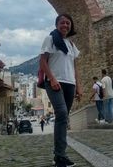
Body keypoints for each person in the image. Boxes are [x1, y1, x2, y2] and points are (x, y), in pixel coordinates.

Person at [39, 14, 82, 167]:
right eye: (62, 22)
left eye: (68, 23)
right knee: (62, 113)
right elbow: (43, 61)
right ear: (57, 24)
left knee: (63, 119)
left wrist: (79, 86)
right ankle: (60, 155)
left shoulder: (71, 45)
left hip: (70, 84)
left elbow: (75, 67)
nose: (65, 25)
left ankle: (60, 154)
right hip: (54, 83)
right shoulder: (50, 39)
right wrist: (52, 78)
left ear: (71, 26)